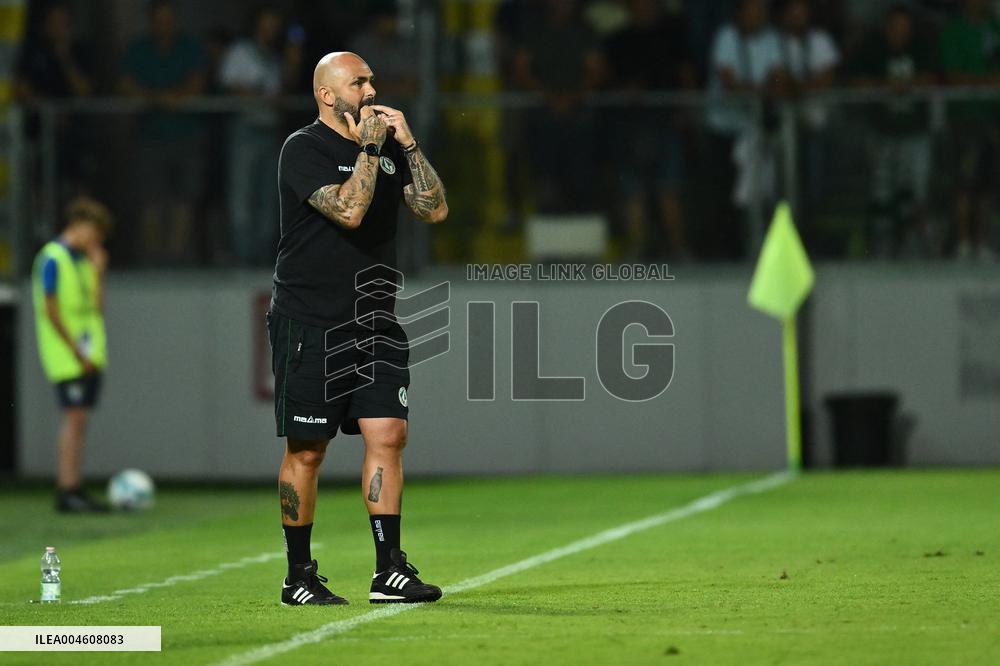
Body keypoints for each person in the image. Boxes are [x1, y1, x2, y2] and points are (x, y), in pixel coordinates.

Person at [268, 51, 448, 605]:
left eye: (373, 79)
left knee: (388, 435)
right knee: (309, 449)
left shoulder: (391, 146)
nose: (372, 90)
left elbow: (434, 209)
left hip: (374, 319)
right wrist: (370, 146)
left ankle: (388, 569)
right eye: (359, 82)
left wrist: (409, 144)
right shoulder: (303, 149)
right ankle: (298, 574)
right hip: (310, 319)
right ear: (328, 94)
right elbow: (348, 210)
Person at [30, 197, 112, 513]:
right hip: (67, 353)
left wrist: (99, 272)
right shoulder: (52, 258)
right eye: (96, 233)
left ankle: (73, 486)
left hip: (87, 353)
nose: (97, 242)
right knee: (74, 416)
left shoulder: (82, 261)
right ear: (80, 225)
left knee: (80, 419)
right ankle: (67, 489)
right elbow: (49, 309)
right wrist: (76, 350)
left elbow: (97, 309)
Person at [603, 0, 696, 260]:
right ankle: (636, 250)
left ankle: (678, 248)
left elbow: (686, 74)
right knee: (633, 191)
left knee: (670, 188)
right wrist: (624, 92)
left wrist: (685, 111)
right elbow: (606, 81)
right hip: (630, 125)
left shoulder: (673, 35)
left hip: (667, 121)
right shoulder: (618, 40)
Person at [119, 0, 207, 265]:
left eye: (168, 19)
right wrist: (160, 98)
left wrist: (163, 97)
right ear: (151, 21)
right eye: (159, 19)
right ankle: (153, 260)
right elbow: (126, 85)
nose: (164, 25)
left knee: (184, 200)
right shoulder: (138, 49)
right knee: (151, 200)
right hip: (150, 136)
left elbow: (197, 84)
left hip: (186, 135)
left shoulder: (190, 47)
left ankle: (176, 259)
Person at [850, 5, 936, 258]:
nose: (899, 32)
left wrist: (905, 85)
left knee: (914, 194)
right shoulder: (873, 48)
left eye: (904, 27)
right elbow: (855, 81)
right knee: (882, 193)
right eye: (894, 27)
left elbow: (934, 78)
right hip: (882, 133)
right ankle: (882, 247)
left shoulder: (920, 47)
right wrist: (885, 85)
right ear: (886, 28)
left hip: (914, 133)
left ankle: (913, 247)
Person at [220, 5, 303, 265]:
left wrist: (293, 61)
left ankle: (263, 257)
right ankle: (243, 256)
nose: (270, 31)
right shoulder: (241, 52)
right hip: (246, 129)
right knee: (242, 198)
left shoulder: (275, 57)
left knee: (268, 198)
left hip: (270, 131)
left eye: (274, 26)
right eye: (266, 25)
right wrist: (259, 97)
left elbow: (286, 88)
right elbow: (229, 85)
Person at [705, 0, 786, 259]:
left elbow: (778, 77)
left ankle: (760, 245)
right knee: (723, 193)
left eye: (761, 10)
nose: (757, 15)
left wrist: (760, 91)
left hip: (755, 128)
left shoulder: (772, 39)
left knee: (761, 190)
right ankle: (726, 251)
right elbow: (729, 82)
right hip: (725, 127)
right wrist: (760, 92)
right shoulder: (726, 37)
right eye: (751, 10)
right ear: (740, 13)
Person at [939, 0, 1000, 261]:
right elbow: (952, 76)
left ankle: (982, 241)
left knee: (987, 185)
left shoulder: (995, 28)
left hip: (993, 117)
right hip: (966, 120)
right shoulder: (954, 32)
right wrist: (989, 81)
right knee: (965, 182)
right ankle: (963, 242)